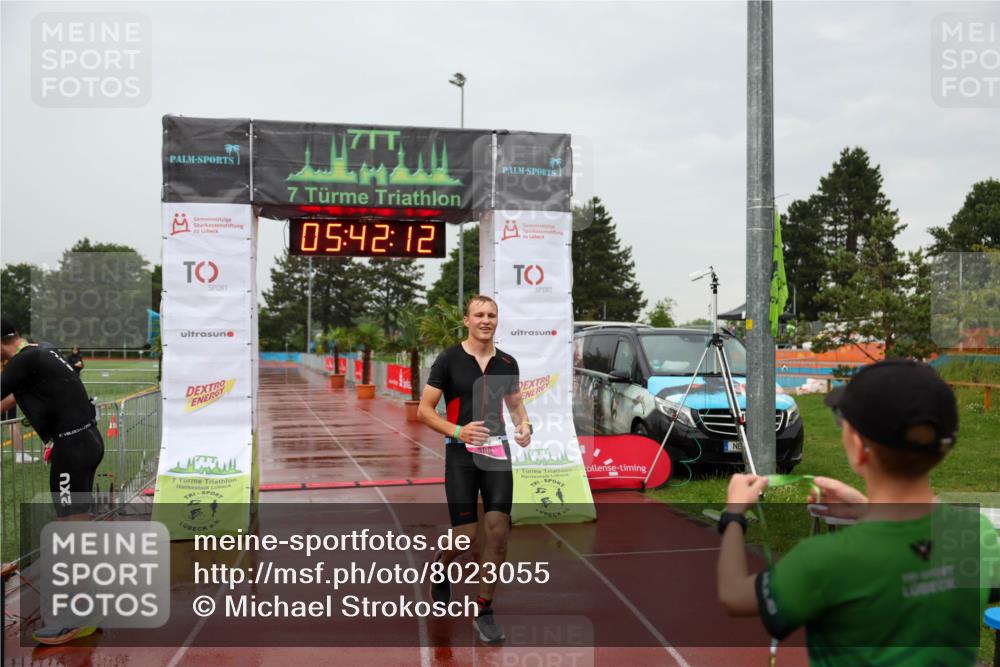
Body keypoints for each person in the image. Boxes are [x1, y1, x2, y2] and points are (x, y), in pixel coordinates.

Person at [716, 359, 1000, 666]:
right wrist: (868, 509)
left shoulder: (824, 559)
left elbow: (734, 595)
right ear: (945, 446)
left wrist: (734, 515)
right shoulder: (976, 533)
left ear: (859, 446)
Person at [417, 295, 532, 643]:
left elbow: (515, 406)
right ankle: (441, 562)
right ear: (466, 320)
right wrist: (457, 431)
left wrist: (525, 426)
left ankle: (484, 609)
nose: (486, 320)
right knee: (466, 536)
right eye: (479, 314)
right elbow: (424, 410)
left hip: (497, 452)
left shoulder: (507, 363)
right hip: (460, 454)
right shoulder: (449, 360)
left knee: (498, 531)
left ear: (497, 320)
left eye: (491, 315)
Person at [0, 318, 105, 645]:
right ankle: (90, 609)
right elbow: (11, 400)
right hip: (87, 441)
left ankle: (76, 616)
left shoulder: (22, 361)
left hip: (70, 449)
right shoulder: (40, 352)